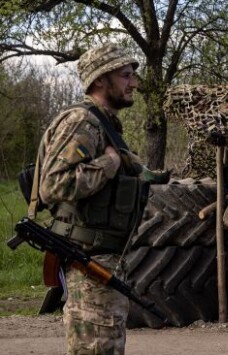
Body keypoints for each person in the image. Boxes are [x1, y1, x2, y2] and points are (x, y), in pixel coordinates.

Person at [37, 43, 156, 354]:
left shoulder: (104, 125)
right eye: (126, 75)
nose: (134, 83)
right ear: (101, 79)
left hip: (102, 264)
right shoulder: (83, 122)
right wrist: (109, 163)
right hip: (89, 264)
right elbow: (54, 185)